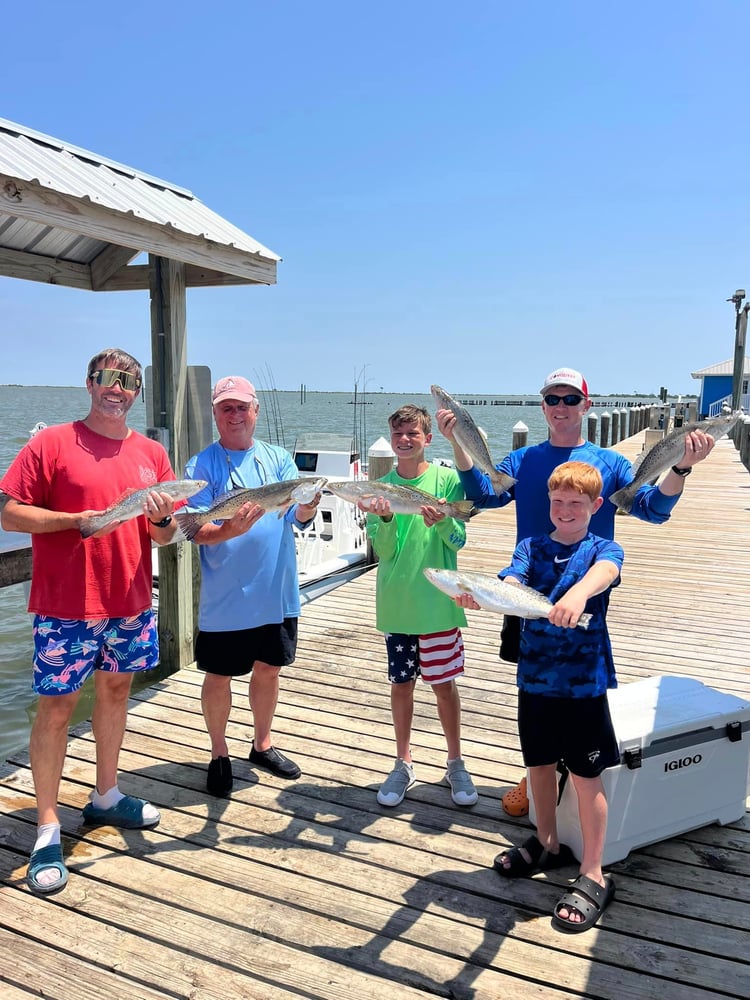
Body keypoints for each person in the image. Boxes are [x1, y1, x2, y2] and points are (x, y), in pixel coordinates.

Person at [437, 365, 717, 816]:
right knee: (534, 691)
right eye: (553, 399)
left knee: (582, 691)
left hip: (584, 591)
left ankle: (577, 775)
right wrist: (459, 446)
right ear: (543, 406)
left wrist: (681, 466)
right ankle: (539, 774)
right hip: (523, 587)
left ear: (588, 405)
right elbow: (485, 496)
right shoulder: (523, 460)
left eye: (571, 399)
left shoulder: (610, 463)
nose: (561, 407)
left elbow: (652, 509)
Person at [0, 348, 179, 896]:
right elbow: (7, 510)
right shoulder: (50, 442)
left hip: (128, 601)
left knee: (117, 694)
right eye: (107, 378)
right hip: (64, 605)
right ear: (88, 383)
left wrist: (164, 518)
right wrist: (74, 521)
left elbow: (167, 537)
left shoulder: (152, 453)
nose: (116, 388)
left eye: (127, 381)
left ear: (137, 392)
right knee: (54, 710)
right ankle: (48, 825)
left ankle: (105, 794)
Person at [454, 461, 623, 933]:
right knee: (539, 766)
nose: (565, 510)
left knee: (588, 776)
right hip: (534, 680)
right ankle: (546, 842)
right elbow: (511, 580)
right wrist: (486, 594)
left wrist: (576, 597)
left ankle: (593, 871)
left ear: (595, 506)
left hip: (583, 684)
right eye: (557, 501)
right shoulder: (531, 546)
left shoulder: (601, 548)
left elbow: (607, 572)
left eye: (576, 503)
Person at [182, 376, 321, 797]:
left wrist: (308, 505)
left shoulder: (279, 460)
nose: (236, 415)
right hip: (225, 601)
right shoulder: (201, 466)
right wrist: (228, 530)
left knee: (269, 669)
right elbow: (194, 530)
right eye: (227, 408)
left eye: (243, 407)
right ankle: (219, 753)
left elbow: (296, 517)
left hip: (275, 594)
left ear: (255, 412)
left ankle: (262, 744)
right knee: (218, 675)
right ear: (215, 414)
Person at [361, 404, 478, 809]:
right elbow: (384, 551)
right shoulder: (381, 487)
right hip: (398, 606)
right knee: (401, 686)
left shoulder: (447, 481)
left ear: (428, 439)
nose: (405, 440)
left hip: (439, 606)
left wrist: (442, 521)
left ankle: (455, 761)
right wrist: (387, 521)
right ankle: (403, 760)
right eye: (398, 435)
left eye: (413, 434)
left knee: (444, 686)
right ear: (391, 440)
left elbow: (458, 541)